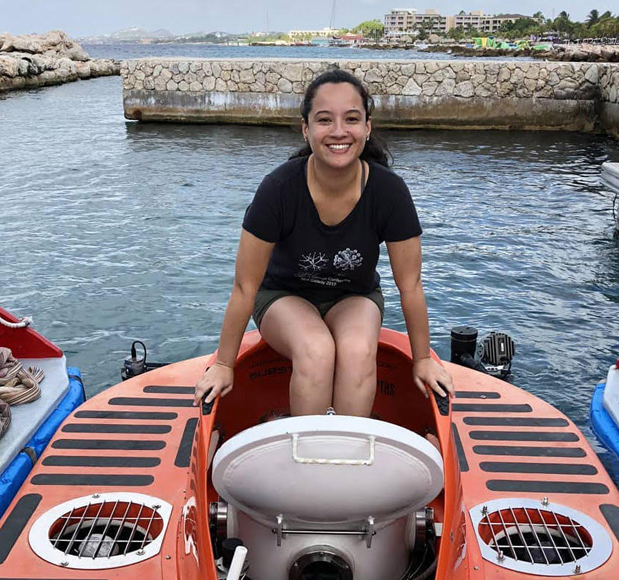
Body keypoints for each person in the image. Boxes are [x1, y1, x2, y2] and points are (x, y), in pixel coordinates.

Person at [193, 68, 453, 416]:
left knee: (359, 349)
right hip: (283, 297)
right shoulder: (278, 189)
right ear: (306, 129)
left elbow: (411, 285)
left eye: (351, 119)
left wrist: (423, 359)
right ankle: (309, 461)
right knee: (316, 348)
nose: (339, 132)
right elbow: (245, 285)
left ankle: (346, 459)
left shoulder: (389, 191)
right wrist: (224, 364)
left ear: (367, 127)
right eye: (324, 120)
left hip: (354, 297)